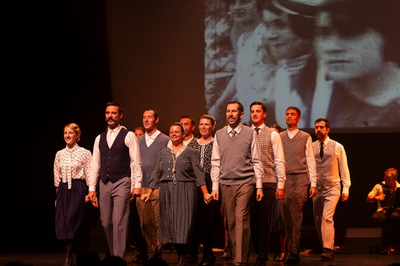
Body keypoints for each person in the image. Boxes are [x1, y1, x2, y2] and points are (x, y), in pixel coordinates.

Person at [313, 0, 400, 129]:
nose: (331, 46)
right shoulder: (327, 97)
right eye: (324, 34)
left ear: (388, 36)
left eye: (350, 33)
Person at [141, 123, 212, 266]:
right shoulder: (163, 153)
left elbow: (199, 174)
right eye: (171, 132)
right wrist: (149, 192)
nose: (173, 134)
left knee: (183, 225)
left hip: (185, 189)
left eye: (177, 132)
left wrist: (205, 193)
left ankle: (185, 255)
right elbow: (155, 174)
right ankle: (182, 255)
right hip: (167, 190)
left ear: (183, 134)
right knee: (170, 225)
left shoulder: (191, 152)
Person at [86, 102, 143, 259]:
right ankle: (114, 256)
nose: (110, 116)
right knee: (105, 222)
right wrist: (91, 188)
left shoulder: (129, 135)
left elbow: (135, 161)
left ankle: (119, 258)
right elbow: (95, 164)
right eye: (107, 113)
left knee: (119, 221)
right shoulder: (99, 138)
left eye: (113, 113)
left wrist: (136, 185)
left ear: (120, 115)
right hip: (104, 182)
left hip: (122, 181)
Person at [211, 101, 264, 266]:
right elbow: (215, 162)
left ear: (241, 114)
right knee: (231, 222)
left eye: (234, 111)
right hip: (226, 183)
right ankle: (237, 254)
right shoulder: (219, 134)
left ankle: (240, 259)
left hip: (245, 182)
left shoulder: (249, 133)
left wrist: (259, 186)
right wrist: (215, 187)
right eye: (228, 111)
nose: (230, 114)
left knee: (241, 217)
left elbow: (256, 160)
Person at [262, 0, 318, 128]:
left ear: (306, 28)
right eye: (267, 26)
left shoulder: (327, 79)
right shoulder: (283, 73)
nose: (270, 35)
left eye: (280, 25)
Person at [279, 106, 317, 264]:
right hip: (284, 179)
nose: (288, 116)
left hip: (300, 178)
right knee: (286, 217)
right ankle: (290, 249)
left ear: (298, 118)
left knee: (296, 215)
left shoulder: (305, 136)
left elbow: (310, 160)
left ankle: (294, 251)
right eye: (287, 114)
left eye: (292, 114)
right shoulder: (279, 136)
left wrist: (312, 184)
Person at [249, 102, 286, 266]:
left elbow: (279, 160)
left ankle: (262, 255)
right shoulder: (246, 132)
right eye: (252, 111)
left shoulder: (272, 134)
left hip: (268, 181)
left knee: (263, 218)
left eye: (258, 111)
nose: (255, 114)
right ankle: (258, 252)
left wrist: (280, 184)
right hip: (248, 182)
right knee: (252, 220)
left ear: (264, 114)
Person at [312, 118, 351, 261]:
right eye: (316, 127)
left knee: (327, 217)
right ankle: (325, 246)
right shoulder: (311, 146)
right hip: (317, 188)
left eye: (321, 127)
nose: (318, 130)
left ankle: (328, 249)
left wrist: (345, 188)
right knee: (318, 219)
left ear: (328, 129)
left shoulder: (337, 146)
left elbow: (344, 168)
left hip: (333, 186)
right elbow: (309, 168)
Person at [54, 123, 92, 266]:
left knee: (72, 222)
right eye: (65, 133)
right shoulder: (59, 154)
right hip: (64, 190)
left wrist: (90, 192)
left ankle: (68, 258)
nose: (67, 136)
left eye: (70, 133)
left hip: (78, 188)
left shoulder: (85, 153)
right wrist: (57, 196)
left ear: (77, 135)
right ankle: (78, 254)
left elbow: (89, 173)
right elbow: (56, 176)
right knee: (64, 224)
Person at [136, 110, 169, 261]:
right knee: (144, 223)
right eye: (144, 117)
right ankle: (151, 250)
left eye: (149, 117)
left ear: (157, 119)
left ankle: (156, 255)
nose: (146, 120)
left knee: (158, 223)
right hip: (141, 186)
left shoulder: (165, 140)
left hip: (158, 186)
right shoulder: (138, 140)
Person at [189, 115, 222, 266]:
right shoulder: (192, 144)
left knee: (210, 219)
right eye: (201, 124)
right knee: (194, 220)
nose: (203, 127)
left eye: (206, 124)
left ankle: (208, 254)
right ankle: (193, 253)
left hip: (211, 181)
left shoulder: (217, 143)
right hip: (194, 183)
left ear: (212, 127)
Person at [367, 168, 400, 253]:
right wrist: (376, 198)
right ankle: (380, 245)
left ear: (394, 179)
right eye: (385, 178)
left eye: (388, 179)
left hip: (395, 212)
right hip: (383, 211)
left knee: (395, 216)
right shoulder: (379, 186)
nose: (385, 181)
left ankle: (395, 245)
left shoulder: (399, 187)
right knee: (375, 218)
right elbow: (368, 198)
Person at [269, 123, 286, 261]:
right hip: (269, 186)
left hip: (281, 187)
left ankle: (283, 250)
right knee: (271, 222)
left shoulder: (283, 151)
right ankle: (275, 249)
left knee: (280, 221)